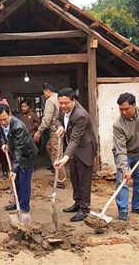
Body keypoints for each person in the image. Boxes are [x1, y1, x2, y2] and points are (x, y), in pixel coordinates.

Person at [55, 88, 97, 222]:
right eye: (60, 103)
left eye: (66, 103)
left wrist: (65, 157)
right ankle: (77, 203)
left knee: (84, 181)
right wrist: (60, 127)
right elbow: (57, 120)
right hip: (73, 149)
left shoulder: (80, 115)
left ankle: (84, 209)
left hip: (84, 149)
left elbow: (75, 139)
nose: (63, 106)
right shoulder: (63, 109)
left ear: (74, 100)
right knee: (75, 178)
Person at [113, 93, 139, 221]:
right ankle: (123, 210)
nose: (124, 112)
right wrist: (124, 169)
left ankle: (137, 206)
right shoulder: (118, 125)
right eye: (121, 109)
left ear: (134, 105)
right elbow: (120, 150)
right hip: (124, 154)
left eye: (126, 109)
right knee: (122, 181)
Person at [0, 104, 38, 213]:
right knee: (17, 182)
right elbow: (4, 136)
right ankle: (18, 202)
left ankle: (24, 207)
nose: (3, 122)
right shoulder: (1, 123)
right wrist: (4, 144)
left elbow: (19, 148)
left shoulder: (18, 126)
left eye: (5, 119)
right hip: (17, 155)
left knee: (23, 181)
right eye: (0, 120)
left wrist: (14, 169)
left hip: (26, 155)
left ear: (10, 114)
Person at [33, 83, 66, 188]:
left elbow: (46, 119)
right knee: (50, 147)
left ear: (47, 91)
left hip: (55, 130)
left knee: (57, 154)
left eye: (44, 92)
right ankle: (56, 169)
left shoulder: (50, 101)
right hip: (62, 128)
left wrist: (38, 132)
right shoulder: (60, 98)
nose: (44, 95)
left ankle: (61, 180)